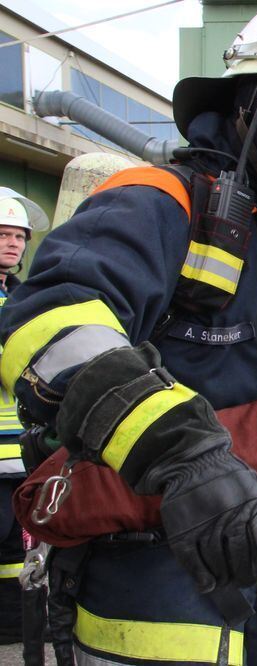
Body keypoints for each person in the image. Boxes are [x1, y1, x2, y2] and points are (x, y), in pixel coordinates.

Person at [0, 4, 257, 662]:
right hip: (152, 573)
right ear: (247, 104)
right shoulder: (160, 199)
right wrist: (180, 450)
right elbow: (52, 315)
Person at [0, 189, 49, 647]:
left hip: (19, 446)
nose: (13, 244)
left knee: (20, 542)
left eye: (18, 236)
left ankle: (17, 622)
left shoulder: (20, 297)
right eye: (3, 235)